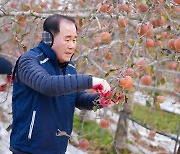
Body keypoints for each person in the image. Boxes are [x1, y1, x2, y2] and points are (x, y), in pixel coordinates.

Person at [10, 14, 111, 154]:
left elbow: (77, 98)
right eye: (67, 39)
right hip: (28, 150)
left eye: (75, 40)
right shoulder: (29, 61)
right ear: (48, 38)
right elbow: (47, 84)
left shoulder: (69, 66)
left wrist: (101, 100)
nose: (72, 46)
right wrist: (90, 81)